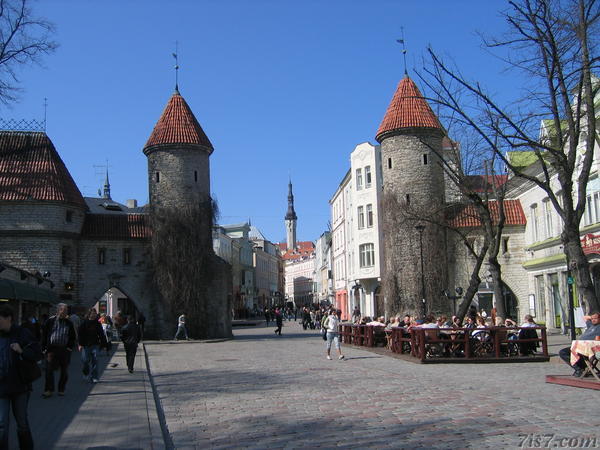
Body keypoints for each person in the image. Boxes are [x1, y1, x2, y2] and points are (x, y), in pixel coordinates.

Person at [0, 305, 42, 449]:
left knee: (22, 423)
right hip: (1, 387)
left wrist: (21, 350)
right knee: (2, 424)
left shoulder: (22, 333)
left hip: (20, 386)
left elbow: (37, 354)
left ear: (8, 318)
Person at [41, 303, 76, 398]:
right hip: (52, 349)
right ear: (58, 310)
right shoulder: (50, 321)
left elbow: (72, 336)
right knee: (49, 370)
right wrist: (44, 348)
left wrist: (69, 347)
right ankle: (49, 389)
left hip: (64, 349)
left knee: (64, 371)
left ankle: (61, 389)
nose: (65, 313)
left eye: (66, 311)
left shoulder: (69, 323)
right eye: (63, 310)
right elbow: (44, 334)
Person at [559, 312, 600, 377]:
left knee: (565, 352)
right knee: (563, 352)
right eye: (592, 319)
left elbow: (597, 341)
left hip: (587, 349)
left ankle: (580, 369)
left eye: (595, 318)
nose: (593, 320)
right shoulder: (591, 325)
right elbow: (585, 317)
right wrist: (592, 317)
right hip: (578, 347)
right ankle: (579, 369)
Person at [78, 308, 107, 384]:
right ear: (89, 314)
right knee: (85, 360)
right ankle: (86, 373)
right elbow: (80, 334)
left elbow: (101, 334)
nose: (94, 315)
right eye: (92, 313)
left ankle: (94, 377)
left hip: (95, 345)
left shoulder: (97, 324)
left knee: (95, 360)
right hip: (86, 345)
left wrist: (104, 345)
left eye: (95, 313)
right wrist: (80, 344)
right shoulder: (84, 323)